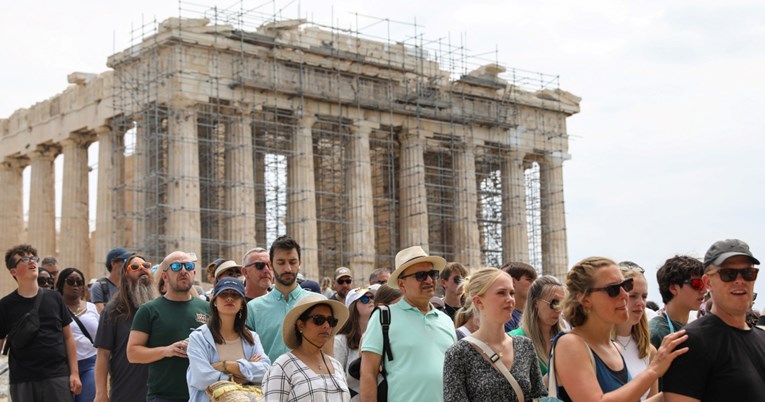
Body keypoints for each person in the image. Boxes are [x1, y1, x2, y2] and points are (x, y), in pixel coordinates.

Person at [553, 256, 688, 402]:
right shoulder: (571, 344)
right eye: (613, 289)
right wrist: (653, 370)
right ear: (585, 299)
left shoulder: (615, 347)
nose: (624, 294)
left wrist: (678, 391)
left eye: (626, 286)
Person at [664, 239, 765, 401]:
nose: (740, 280)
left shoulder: (762, 339)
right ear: (708, 282)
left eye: (748, 273)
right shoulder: (690, 342)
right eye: (728, 274)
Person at [360, 246, 456, 402]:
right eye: (420, 276)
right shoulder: (383, 317)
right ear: (401, 284)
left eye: (432, 274)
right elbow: (368, 373)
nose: (429, 280)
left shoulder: (446, 321)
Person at [444, 268, 546, 401]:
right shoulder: (458, 353)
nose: (510, 299)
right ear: (478, 301)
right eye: (501, 293)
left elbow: (539, 395)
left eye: (511, 293)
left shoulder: (525, 345)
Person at [0, 244, 81, 401]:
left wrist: (75, 373)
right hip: (22, 380)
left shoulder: (55, 298)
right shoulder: (5, 305)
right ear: (13, 271)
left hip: (57, 376)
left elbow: (68, 338)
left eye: (33, 258)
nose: (32, 262)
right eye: (24, 259)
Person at [127, 251, 211, 401]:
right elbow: (133, 353)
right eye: (176, 266)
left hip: (202, 396)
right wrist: (167, 351)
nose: (183, 271)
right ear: (164, 276)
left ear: (194, 272)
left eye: (188, 266)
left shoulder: (208, 309)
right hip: (163, 397)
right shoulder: (148, 310)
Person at [187, 278, 271, 402]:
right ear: (214, 301)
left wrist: (227, 365)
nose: (229, 298)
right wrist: (243, 375)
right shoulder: (199, 337)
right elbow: (201, 379)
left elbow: (266, 372)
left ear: (242, 303)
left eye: (235, 295)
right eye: (224, 294)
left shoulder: (252, 337)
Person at [263, 294, 351, 401]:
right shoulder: (283, 366)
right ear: (300, 325)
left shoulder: (336, 365)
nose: (326, 326)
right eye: (319, 320)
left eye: (331, 321)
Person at [247, 235, 319, 362]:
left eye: (292, 262)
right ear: (270, 264)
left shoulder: (318, 302)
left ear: (300, 262)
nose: (288, 269)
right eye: (281, 263)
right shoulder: (253, 309)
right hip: (268, 380)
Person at [94, 253, 155, 402]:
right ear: (125, 276)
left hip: (157, 391)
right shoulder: (113, 311)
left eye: (146, 266)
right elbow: (103, 354)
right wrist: (101, 393)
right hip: (126, 390)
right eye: (135, 267)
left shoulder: (159, 308)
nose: (142, 269)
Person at [614, 261, 658, 400]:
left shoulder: (648, 351)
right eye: (633, 296)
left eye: (644, 296)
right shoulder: (594, 346)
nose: (641, 303)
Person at [56, 267, 100, 402]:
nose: (75, 285)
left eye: (79, 282)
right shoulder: (55, 308)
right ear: (61, 285)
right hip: (62, 365)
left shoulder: (93, 308)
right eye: (70, 281)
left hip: (91, 363)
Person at [509, 275, 564, 378]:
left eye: (563, 303)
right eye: (554, 303)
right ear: (535, 303)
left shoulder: (566, 338)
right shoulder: (514, 340)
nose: (559, 309)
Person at [648, 255, 705, 350]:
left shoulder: (699, 328)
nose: (704, 290)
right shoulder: (655, 332)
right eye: (697, 284)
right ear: (673, 288)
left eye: (705, 283)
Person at [334, 287, 376, 400]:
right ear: (353, 306)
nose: (371, 301)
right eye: (364, 299)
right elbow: (336, 380)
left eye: (372, 297)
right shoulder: (340, 341)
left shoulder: (380, 335)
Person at [501, 262, 537, 331]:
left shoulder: (536, 313)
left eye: (535, 280)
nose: (535, 284)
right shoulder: (506, 317)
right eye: (529, 280)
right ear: (512, 282)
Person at [92, 247, 129, 313]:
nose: (128, 264)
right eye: (125, 260)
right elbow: (102, 314)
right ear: (113, 263)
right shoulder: (99, 286)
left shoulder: (129, 285)